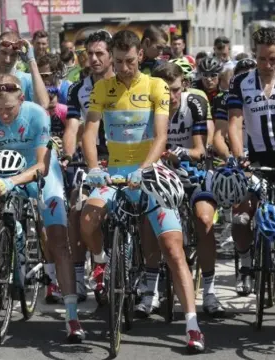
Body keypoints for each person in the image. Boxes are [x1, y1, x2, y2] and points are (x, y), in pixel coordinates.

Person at [80, 29, 205, 353]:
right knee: (88, 220)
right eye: (118, 61)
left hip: (149, 170)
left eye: (130, 61)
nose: (124, 68)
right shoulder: (102, 88)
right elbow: (90, 131)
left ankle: (192, 324)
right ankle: (101, 262)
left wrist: (144, 169)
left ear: (140, 57)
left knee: (173, 247)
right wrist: (95, 168)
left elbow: (161, 136)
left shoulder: (156, 86)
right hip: (114, 170)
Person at [0, 73, 84, 342]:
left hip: (39, 175)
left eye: (9, 109)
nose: (4, 116)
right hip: (2, 173)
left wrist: (11, 183)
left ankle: (72, 315)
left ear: (21, 99)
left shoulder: (36, 114)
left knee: (58, 240)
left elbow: (42, 165)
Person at [227, 27, 275, 295]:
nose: (267, 65)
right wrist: (240, 158)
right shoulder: (240, 82)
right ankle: (246, 266)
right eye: (261, 59)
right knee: (241, 219)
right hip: (256, 159)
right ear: (254, 55)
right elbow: (234, 125)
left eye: (273, 59)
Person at [152, 62, 225, 317]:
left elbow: (200, 150)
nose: (170, 97)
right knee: (147, 218)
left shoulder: (194, 103)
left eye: (174, 90)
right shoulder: (149, 106)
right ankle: (149, 285)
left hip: (192, 169)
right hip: (160, 172)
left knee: (204, 220)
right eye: (164, 90)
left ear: (183, 85)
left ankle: (210, 289)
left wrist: (180, 153)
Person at [62, 30, 113, 303]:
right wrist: (69, 156)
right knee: (75, 210)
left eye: (99, 54)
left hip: (119, 158)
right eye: (89, 54)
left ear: (111, 55)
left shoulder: (122, 82)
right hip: (89, 159)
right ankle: (87, 269)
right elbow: (72, 127)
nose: (93, 59)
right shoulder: (77, 89)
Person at [0, 31, 49, 117]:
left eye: (13, 55)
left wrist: (32, 61)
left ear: (18, 56)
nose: (7, 60)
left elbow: (43, 105)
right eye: (4, 53)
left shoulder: (28, 79)